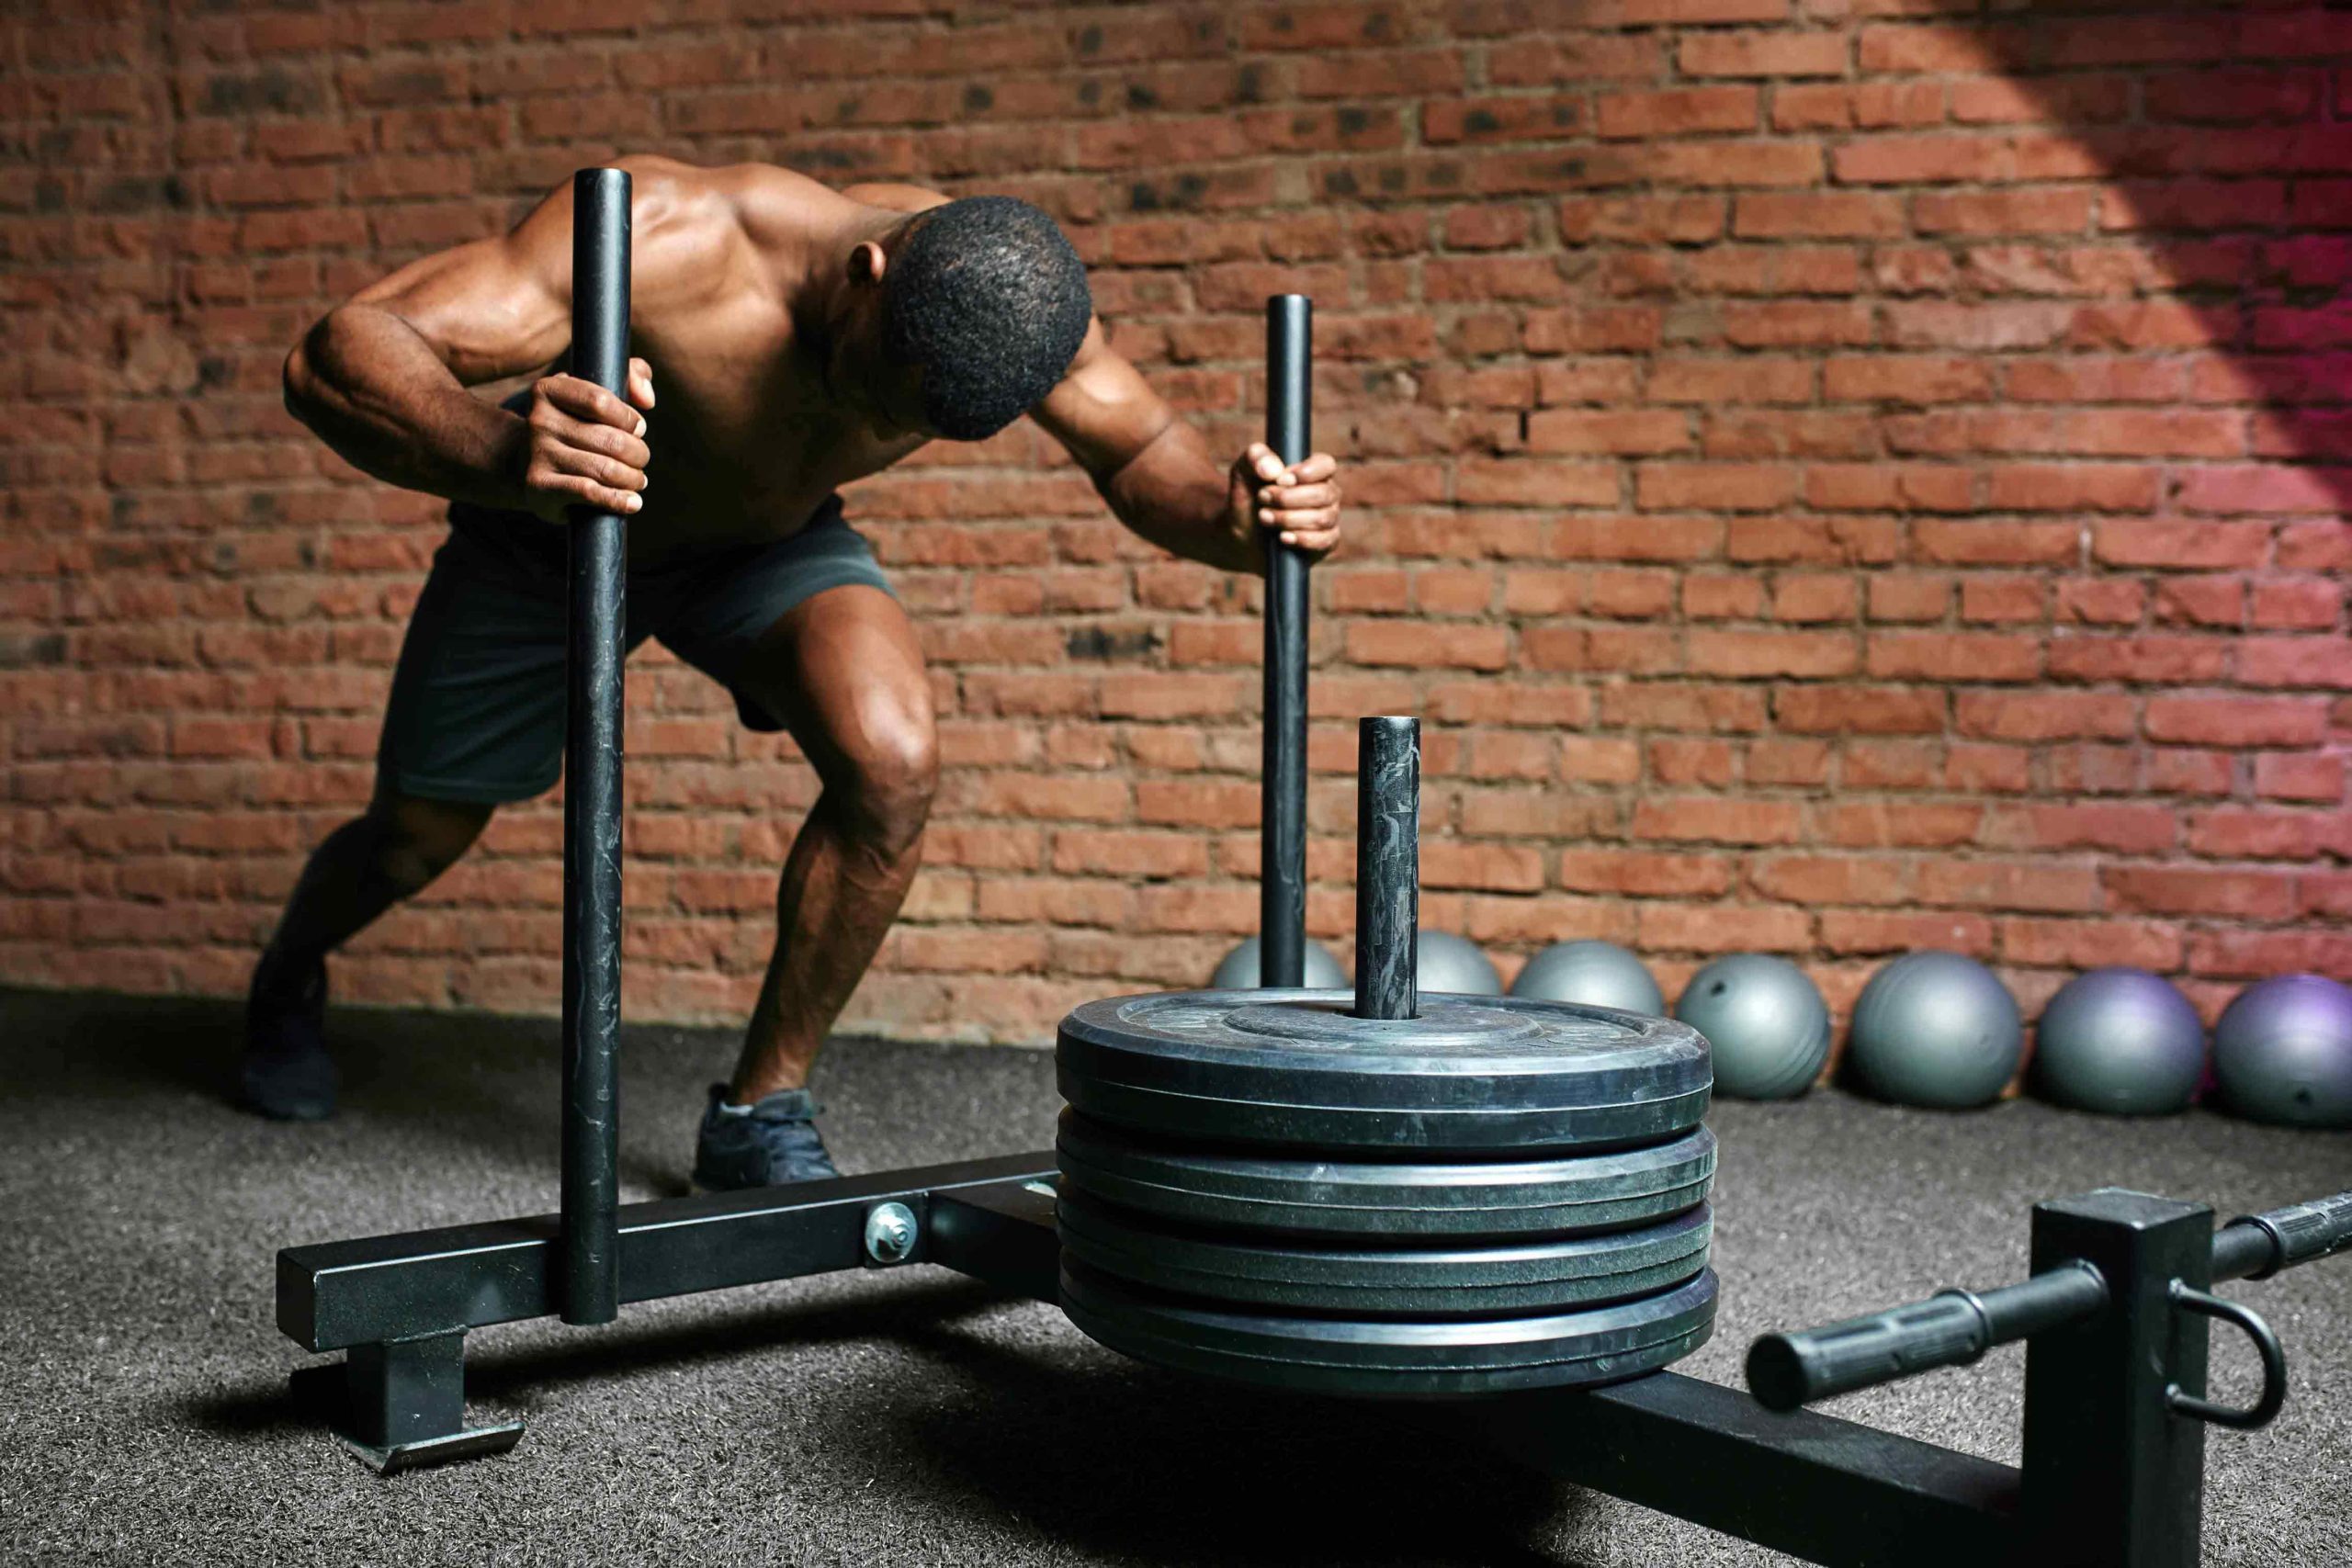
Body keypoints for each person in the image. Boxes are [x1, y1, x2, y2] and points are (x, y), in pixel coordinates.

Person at [243, 157, 1344, 1190]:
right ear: (869, 274)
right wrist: (503, 457)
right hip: (549, 532)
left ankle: (757, 1112)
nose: (872, 425)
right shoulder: (668, 239)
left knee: (893, 762)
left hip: (763, 546)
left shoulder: (1013, 297)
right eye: (879, 388)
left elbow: (1142, 453)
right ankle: (290, 971)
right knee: (415, 838)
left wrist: (1236, 519)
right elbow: (338, 353)